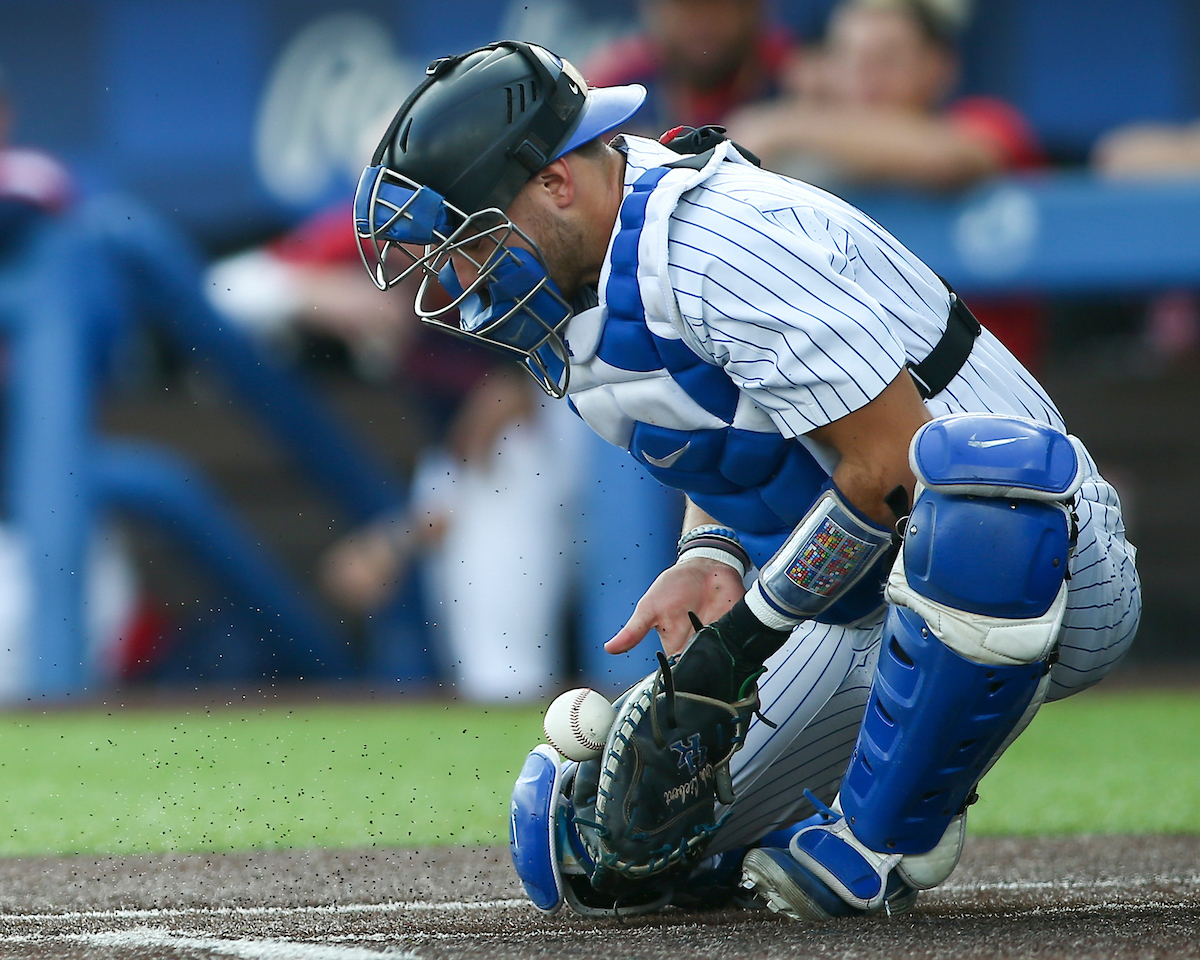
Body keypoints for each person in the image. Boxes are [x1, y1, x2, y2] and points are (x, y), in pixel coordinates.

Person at [351, 42, 1140, 920]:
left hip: (1049, 567)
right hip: (860, 603)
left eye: (467, 241)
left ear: (556, 183)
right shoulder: (580, 284)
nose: (460, 279)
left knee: (978, 492)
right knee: (603, 848)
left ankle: (888, 835)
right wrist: (713, 552)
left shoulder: (716, 244)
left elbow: (893, 470)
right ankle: (849, 793)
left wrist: (745, 638)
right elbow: (732, 434)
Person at [206, 202, 582, 702]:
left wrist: (393, 542)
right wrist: (314, 293)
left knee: (502, 664)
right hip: (494, 468)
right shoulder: (370, 229)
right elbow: (220, 288)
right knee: (486, 665)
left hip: (588, 445)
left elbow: (503, 420)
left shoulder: (507, 232)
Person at [725, 0, 1046, 370]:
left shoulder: (982, 120)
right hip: (851, 383)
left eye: (888, 59)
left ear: (938, 66)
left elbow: (947, 160)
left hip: (986, 382)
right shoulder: (810, 161)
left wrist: (789, 124)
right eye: (848, 58)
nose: (866, 75)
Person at [582, 0, 801, 134]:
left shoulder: (786, 67)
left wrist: (772, 131)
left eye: (716, 7)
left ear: (749, 10)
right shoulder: (620, 78)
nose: (702, 23)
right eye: (686, 8)